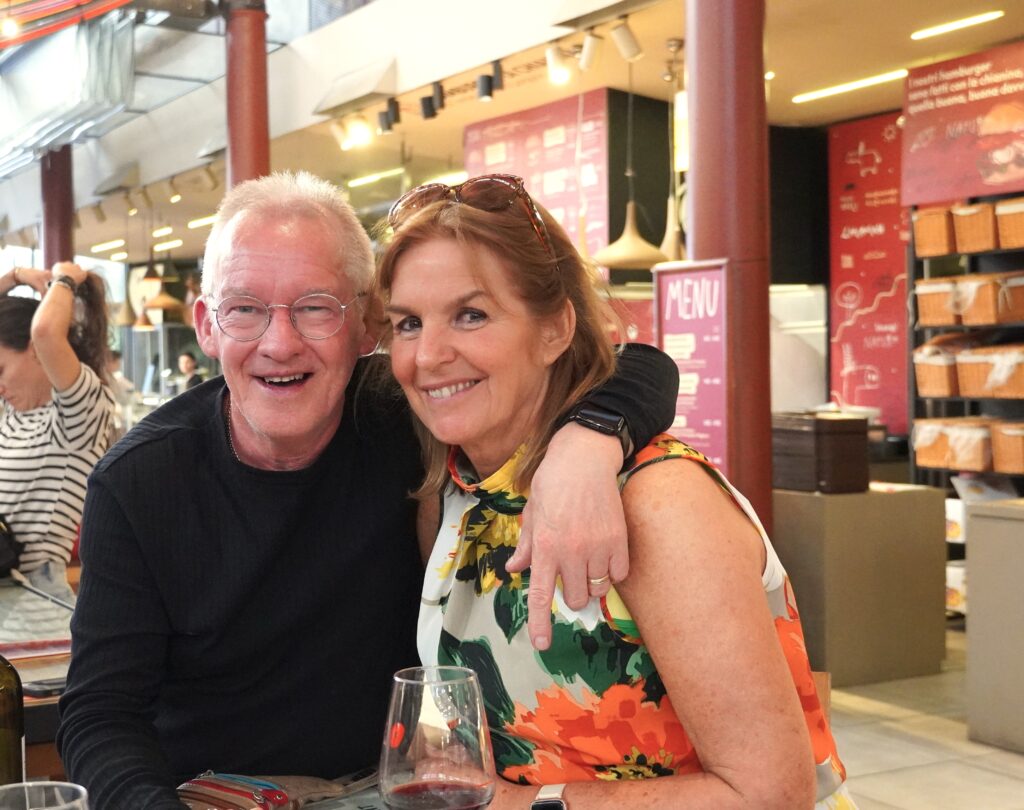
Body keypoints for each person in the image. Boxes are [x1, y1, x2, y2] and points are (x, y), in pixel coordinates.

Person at [57, 171, 679, 809]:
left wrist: (588, 441)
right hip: (213, 791)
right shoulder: (140, 480)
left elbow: (636, 364)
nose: (279, 342)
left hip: (393, 787)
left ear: (366, 325)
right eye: (244, 309)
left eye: (315, 307)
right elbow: (101, 712)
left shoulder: (406, 412)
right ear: (207, 326)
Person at [375, 174, 855, 809]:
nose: (428, 354)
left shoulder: (657, 502)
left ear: (555, 329)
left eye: (471, 314)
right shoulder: (453, 492)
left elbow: (768, 794)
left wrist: (511, 804)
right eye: (408, 323)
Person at [0, 264, 116, 606]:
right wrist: (15, 276)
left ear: (35, 351)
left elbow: (47, 331)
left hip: (34, 603)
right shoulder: (12, 413)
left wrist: (64, 278)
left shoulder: (77, 416)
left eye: (1, 369)